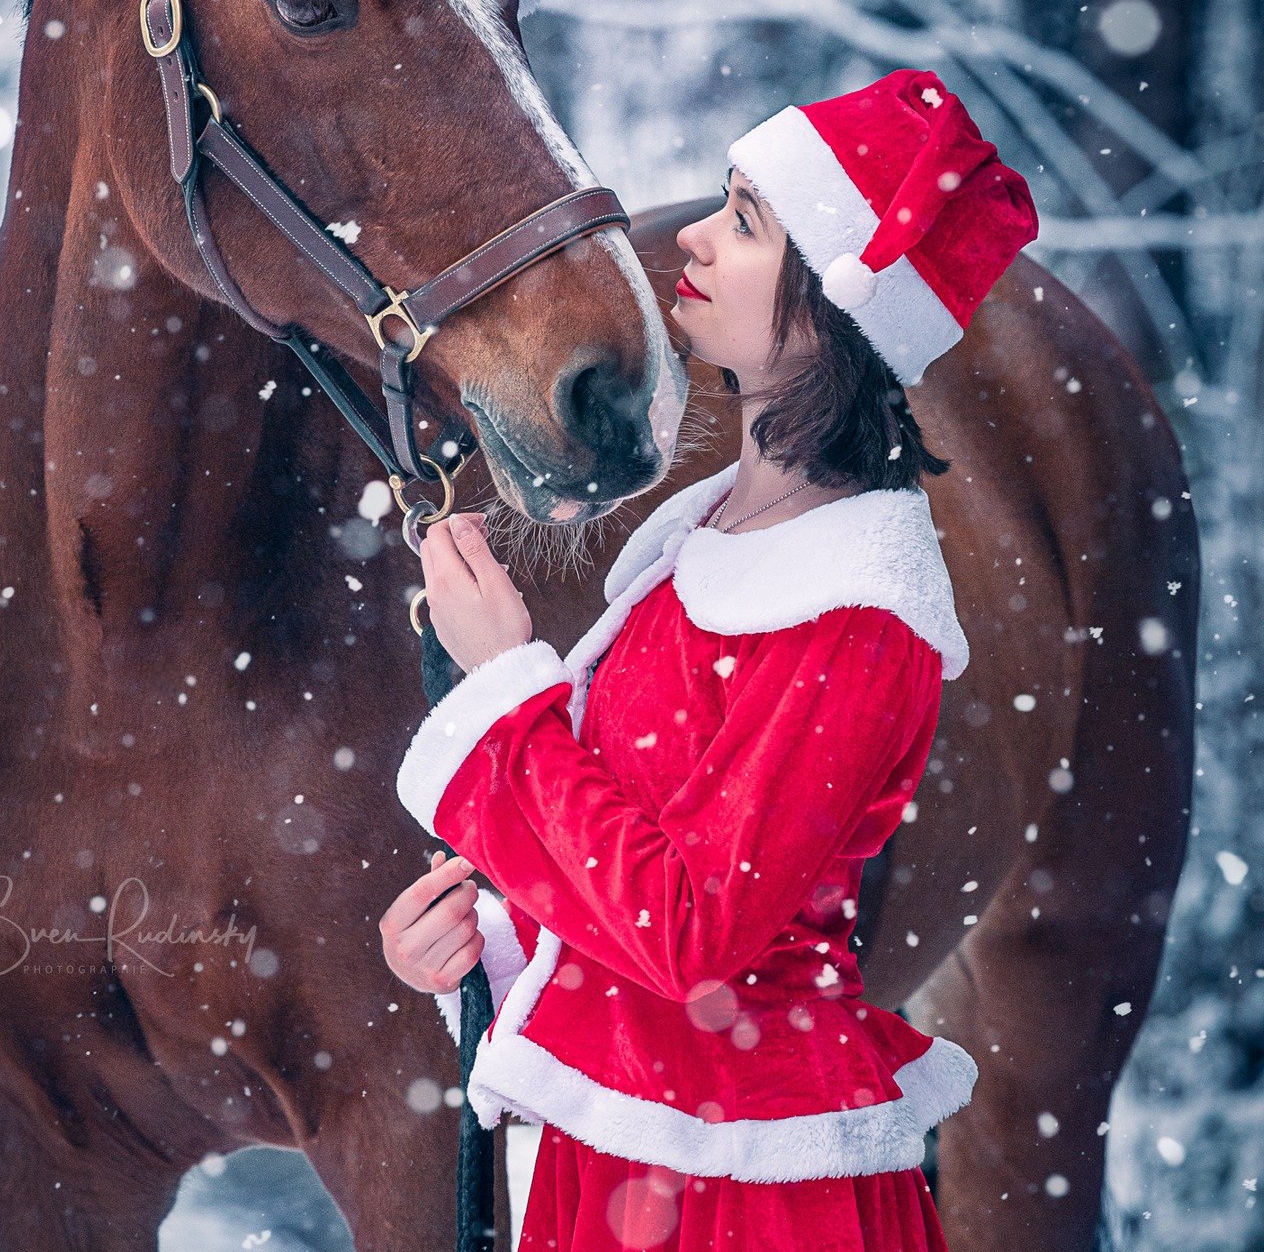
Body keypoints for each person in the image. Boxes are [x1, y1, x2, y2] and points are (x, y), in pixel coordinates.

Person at [378, 69, 1038, 1251]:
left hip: (754, 1195)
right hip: (639, 1147)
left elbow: (695, 935)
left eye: (746, 221)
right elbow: (634, 842)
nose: (692, 233)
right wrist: (494, 932)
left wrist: (505, 687)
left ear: (838, 303)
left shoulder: (858, 613)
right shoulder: (706, 532)